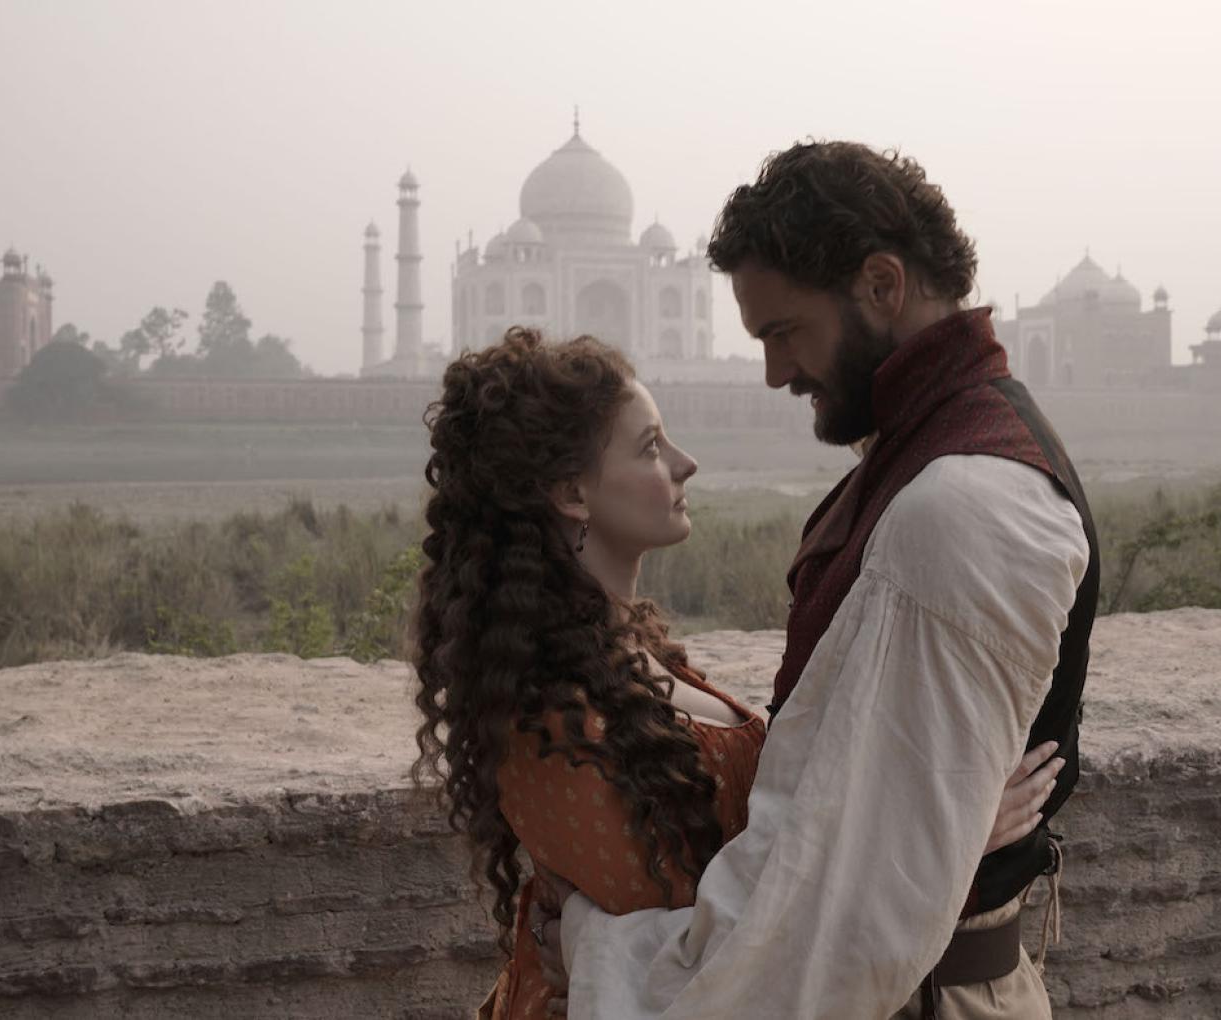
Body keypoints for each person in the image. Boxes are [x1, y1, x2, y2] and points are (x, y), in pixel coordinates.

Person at [546, 141, 1100, 1019]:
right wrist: (935, 830)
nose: (773, 372)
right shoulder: (936, 456)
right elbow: (867, 824)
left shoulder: (960, 499)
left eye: (784, 331)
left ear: (882, 286)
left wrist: (598, 948)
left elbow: (842, 916)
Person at [410, 327, 1068, 1019]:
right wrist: (941, 834)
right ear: (573, 492)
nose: (685, 463)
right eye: (651, 448)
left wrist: (928, 818)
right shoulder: (551, 718)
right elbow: (724, 954)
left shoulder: (628, 655)